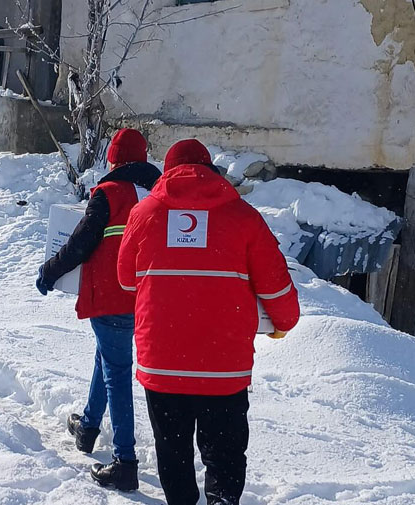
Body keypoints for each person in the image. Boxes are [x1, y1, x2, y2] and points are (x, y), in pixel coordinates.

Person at [117, 139, 300, 505]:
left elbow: (125, 279)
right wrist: (283, 323)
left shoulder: (144, 213)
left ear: (167, 173)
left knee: (173, 455)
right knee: (225, 455)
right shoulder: (243, 217)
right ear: (212, 172)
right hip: (223, 367)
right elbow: (277, 287)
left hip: (163, 363)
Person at [36, 128, 160, 491]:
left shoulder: (108, 194)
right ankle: (89, 425)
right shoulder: (157, 194)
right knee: (107, 357)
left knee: (117, 371)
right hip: (147, 297)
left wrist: (49, 272)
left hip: (111, 296)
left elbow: (79, 244)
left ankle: (125, 460)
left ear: (114, 160)